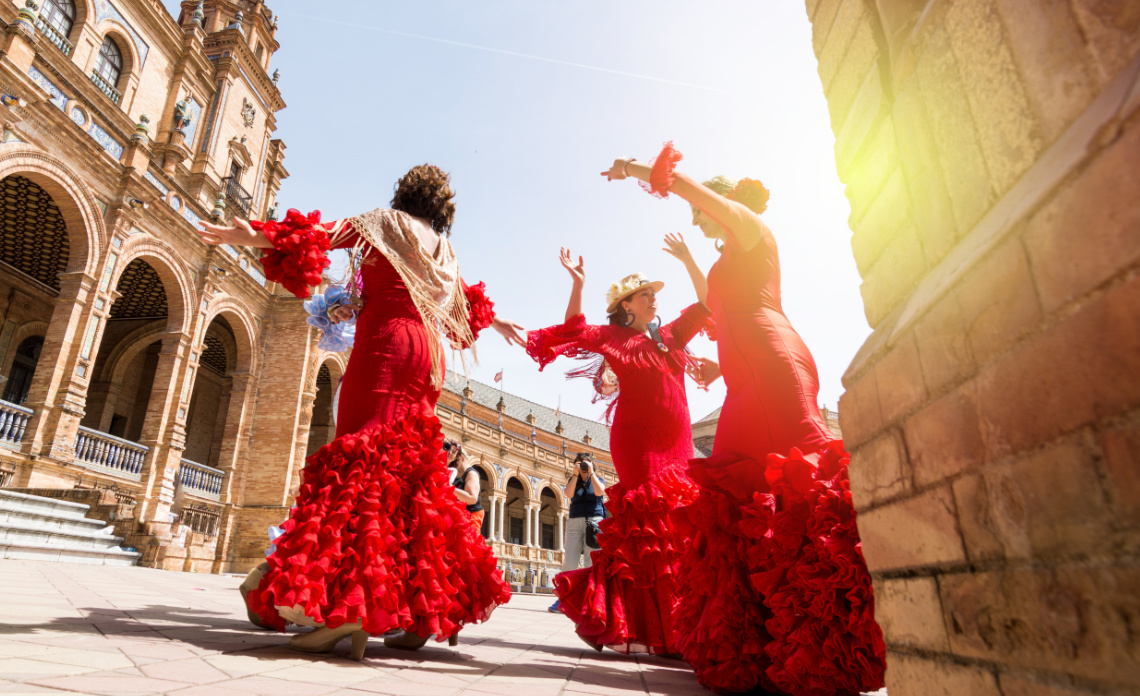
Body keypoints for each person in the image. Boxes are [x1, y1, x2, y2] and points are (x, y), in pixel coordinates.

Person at [198, 164, 522, 660]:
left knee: (361, 463)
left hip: (387, 345)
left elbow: (320, 235)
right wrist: (498, 320)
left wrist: (255, 233)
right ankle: (416, 612)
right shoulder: (445, 249)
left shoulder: (385, 223)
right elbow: (462, 306)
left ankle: (350, 610)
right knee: (411, 476)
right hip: (427, 355)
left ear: (403, 192)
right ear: (442, 207)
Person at [600, 144, 886, 694]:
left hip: (776, 364)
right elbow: (717, 308)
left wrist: (635, 170)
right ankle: (754, 648)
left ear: (722, 202)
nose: (696, 217)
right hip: (741, 379)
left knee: (800, 487)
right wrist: (712, 360)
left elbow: (688, 190)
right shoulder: (725, 257)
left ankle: (829, 643)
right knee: (728, 495)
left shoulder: (751, 228)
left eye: (701, 211)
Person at [525, 248, 709, 655]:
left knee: (678, 531)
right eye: (644, 293)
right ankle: (644, 630)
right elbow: (574, 329)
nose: (653, 297)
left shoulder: (672, 336)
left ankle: (676, 625)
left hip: (679, 444)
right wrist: (578, 284)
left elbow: (706, 302)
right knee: (646, 529)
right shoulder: (615, 337)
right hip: (638, 442)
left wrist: (689, 261)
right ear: (626, 305)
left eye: (653, 292)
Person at [548, 451, 605, 614]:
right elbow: (568, 494)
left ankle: (591, 600)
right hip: (574, 522)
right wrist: (574, 474)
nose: (584, 467)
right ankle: (564, 598)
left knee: (591, 562)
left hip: (594, 523)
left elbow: (600, 492)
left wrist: (592, 473)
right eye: (581, 464)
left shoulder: (598, 479)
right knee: (570, 561)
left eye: (587, 463)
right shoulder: (574, 480)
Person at [446, 441, 485, 530]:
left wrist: (449, 487)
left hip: (472, 515)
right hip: (458, 515)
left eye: (457, 460)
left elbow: (472, 499)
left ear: (463, 458)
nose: (454, 463)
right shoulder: (454, 472)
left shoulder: (471, 474)